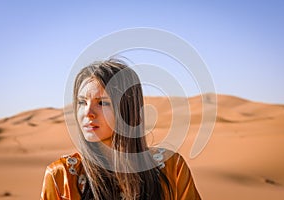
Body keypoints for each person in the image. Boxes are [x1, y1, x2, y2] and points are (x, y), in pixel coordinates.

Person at [40, 58, 201, 200]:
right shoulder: (61, 176)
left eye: (102, 103)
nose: (88, 113)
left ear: (127, 109)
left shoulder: (172, 167)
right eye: (82, 102)